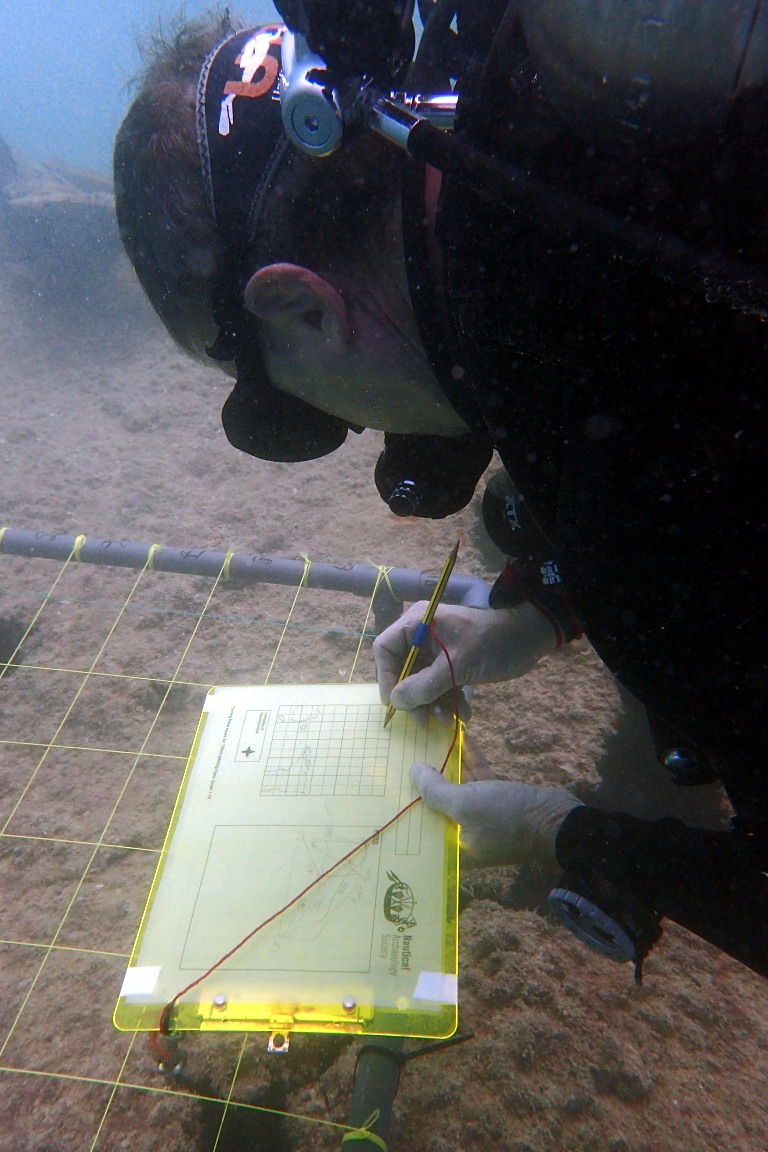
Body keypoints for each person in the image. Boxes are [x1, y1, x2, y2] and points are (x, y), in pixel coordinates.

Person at [113, 3, 768, 979]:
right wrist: (540, 612)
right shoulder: (556, 141)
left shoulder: (626, 488)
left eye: (286, 410)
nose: (359, 439)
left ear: (299, 302)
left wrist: (565, 833)